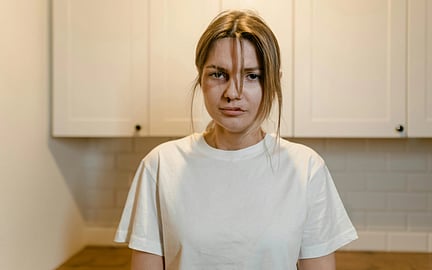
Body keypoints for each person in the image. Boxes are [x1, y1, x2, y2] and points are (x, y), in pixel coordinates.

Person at [115, 9, 357, 270]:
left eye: (252, 76)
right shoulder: (161, 165)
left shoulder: (306, 168)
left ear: (274, 83)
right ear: (201, 77)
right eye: (218, 74)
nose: (232, 93)